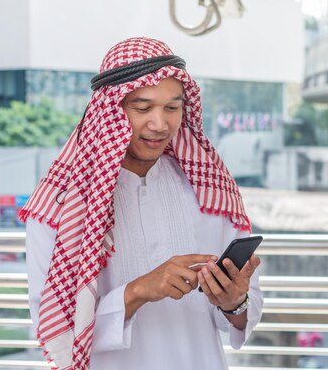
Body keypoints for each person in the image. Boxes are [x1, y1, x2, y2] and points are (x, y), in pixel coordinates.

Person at [23, 37, 263, 370]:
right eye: (142, 108)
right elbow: (55, 329)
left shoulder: (209, 189)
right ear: (111, 111)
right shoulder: (61, 206)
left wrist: (234, 302)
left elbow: (242, 316)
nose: (159, 124)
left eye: (172, 107)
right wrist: (138, 291)